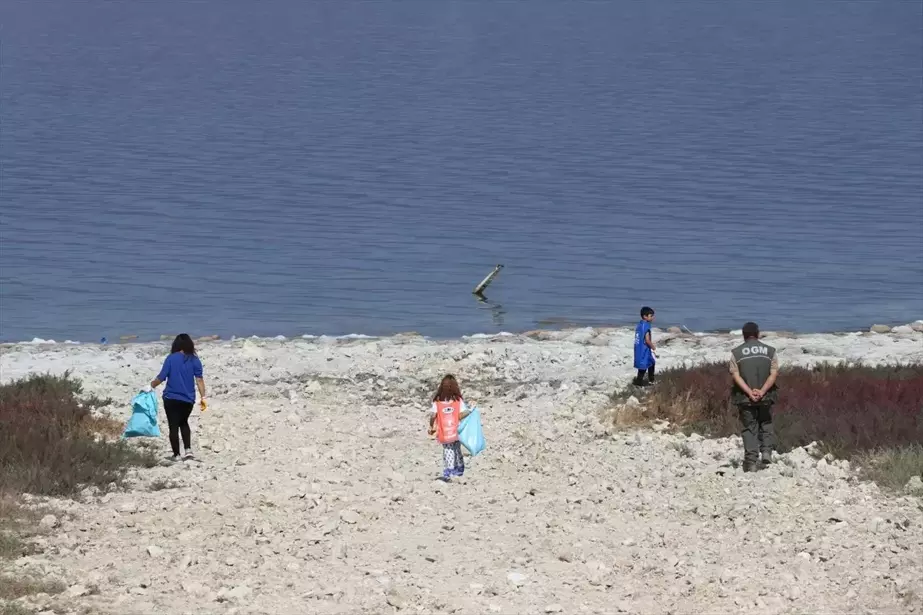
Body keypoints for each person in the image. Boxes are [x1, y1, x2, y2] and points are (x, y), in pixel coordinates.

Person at [730, 322, 779, 472]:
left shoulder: (736, 352)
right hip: (766, 396)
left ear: (744, 335)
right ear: (758, 334)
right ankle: (766, 452)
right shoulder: (771, 351)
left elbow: (735, 375)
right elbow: (774, 374)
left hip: (745, 398)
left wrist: (749, 392)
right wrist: (762, 391)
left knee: (749, 428)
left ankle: (751, 462)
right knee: (766, 423)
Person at [151, 334, 206, 461]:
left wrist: (150, 386)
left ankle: (176, 455)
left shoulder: (171, 358)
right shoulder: (195, 360)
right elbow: (199, 380)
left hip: (171, 398)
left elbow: (161, 377)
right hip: (188, 399)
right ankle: (188, 451)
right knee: (184, 422)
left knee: (173, 425)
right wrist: (203, 397)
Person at [428, 374, 472, 480]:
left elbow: (433, 415)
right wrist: (470, 410)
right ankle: (459, 469)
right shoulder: (457, 400)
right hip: (456, 430)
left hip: (444, 431)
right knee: (457, 449)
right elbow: (461, 415)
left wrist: (431, 425)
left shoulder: (437, 401)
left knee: (448, 450)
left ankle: (449, 470)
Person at [633, 306, 657, 386]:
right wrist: (653, 347)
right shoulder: (646, 326)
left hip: (638, 348)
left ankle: (651, 380)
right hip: (644, 350)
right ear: (645, 316)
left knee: (651, 363)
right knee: (643, 367)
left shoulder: (639, 325)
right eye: (651, 316)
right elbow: (647, 340)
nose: (653, 318)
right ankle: (639, 383)